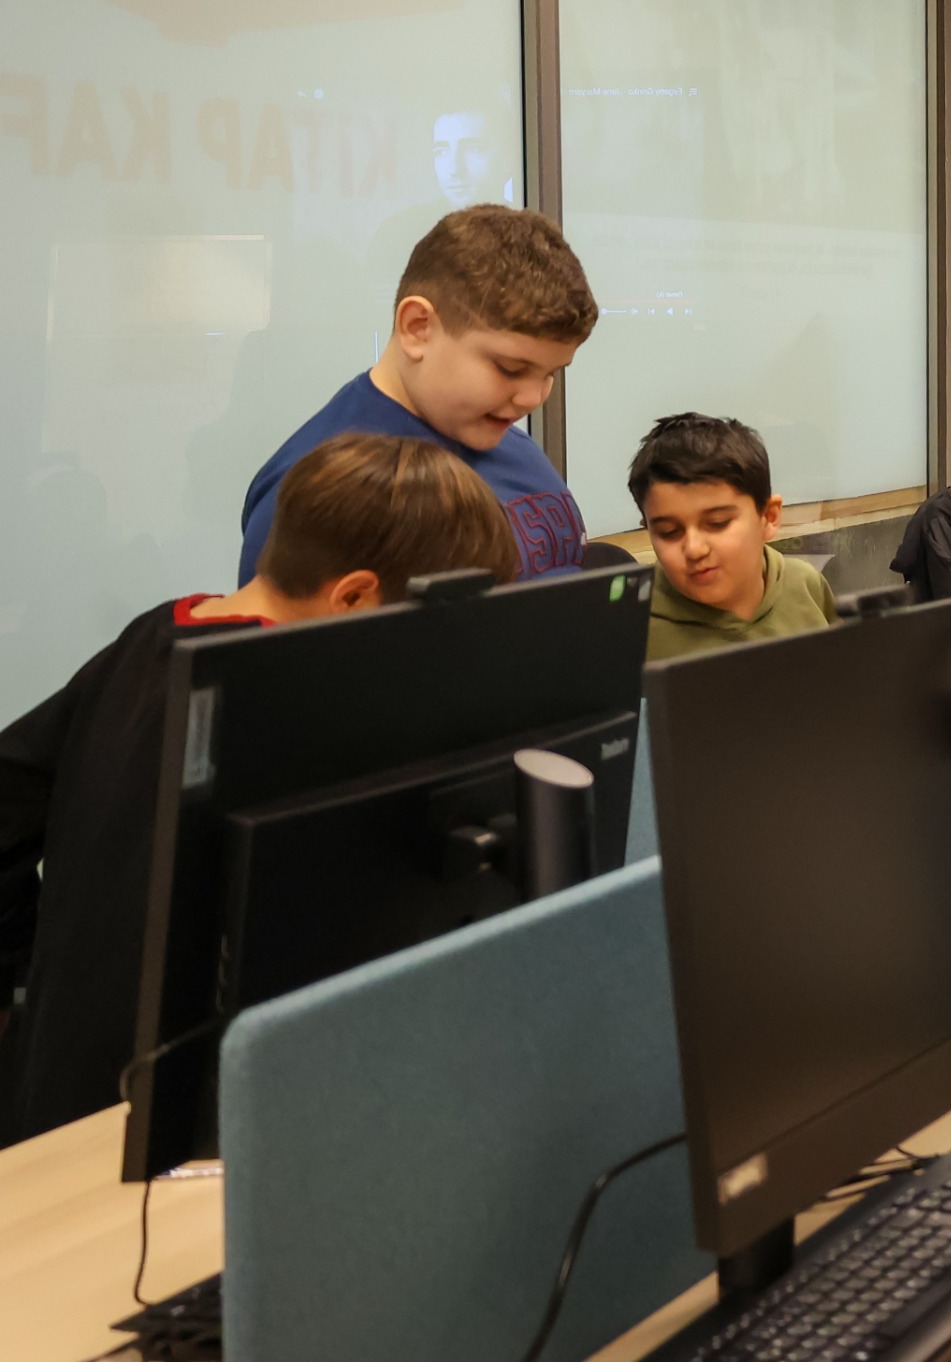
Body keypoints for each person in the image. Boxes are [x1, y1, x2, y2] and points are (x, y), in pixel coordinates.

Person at [0, 434, 518, 1146]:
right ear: (354, 596)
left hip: (68, 1081)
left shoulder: (156, 634)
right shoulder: (292, 703)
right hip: (172, 1123)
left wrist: (35, 965)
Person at [241, 205, 597, 585]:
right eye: (509, 369)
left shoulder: (507, 442)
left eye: (551, 374)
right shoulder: (317, 492)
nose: (532, 398)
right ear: (417, 328)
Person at [629, 414, 838, 662]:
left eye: (718, 523)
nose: (694, 549)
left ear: (769, 517)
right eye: (669, 532)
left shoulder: (804, 584)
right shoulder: (632, 628)